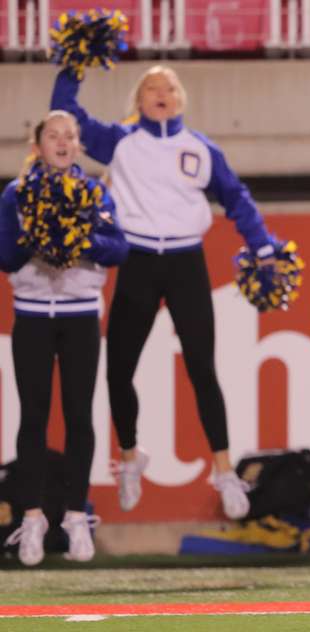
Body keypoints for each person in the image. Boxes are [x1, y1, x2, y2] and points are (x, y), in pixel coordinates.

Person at [50, 65, 278, 520]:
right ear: (139, 98)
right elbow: (65, 113)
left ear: (180, 99)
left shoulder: (200, 148)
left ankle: (224, 469)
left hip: (185, 262)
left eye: (170, 87)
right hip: (136, 261)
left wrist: (264, 246)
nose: (162, 93)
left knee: (202, 368)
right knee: (118, 369)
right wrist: (73, 65)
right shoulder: (120, 141)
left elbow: (236, 197)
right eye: (153, 86)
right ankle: (131, 457)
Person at [0, 111, 129, 566]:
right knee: (32, 416)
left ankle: (76, 515)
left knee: (79, 415)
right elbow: (7, 258)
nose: (62, 142)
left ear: (78, 146)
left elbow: (118, 248)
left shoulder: (94, 192)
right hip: (33, 315)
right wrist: (39, 232)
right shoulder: (16, 194)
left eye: (70, 136)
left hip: (79, 315)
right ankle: (31, 517)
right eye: (53, 136)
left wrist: (77, 234)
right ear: (37, 145)